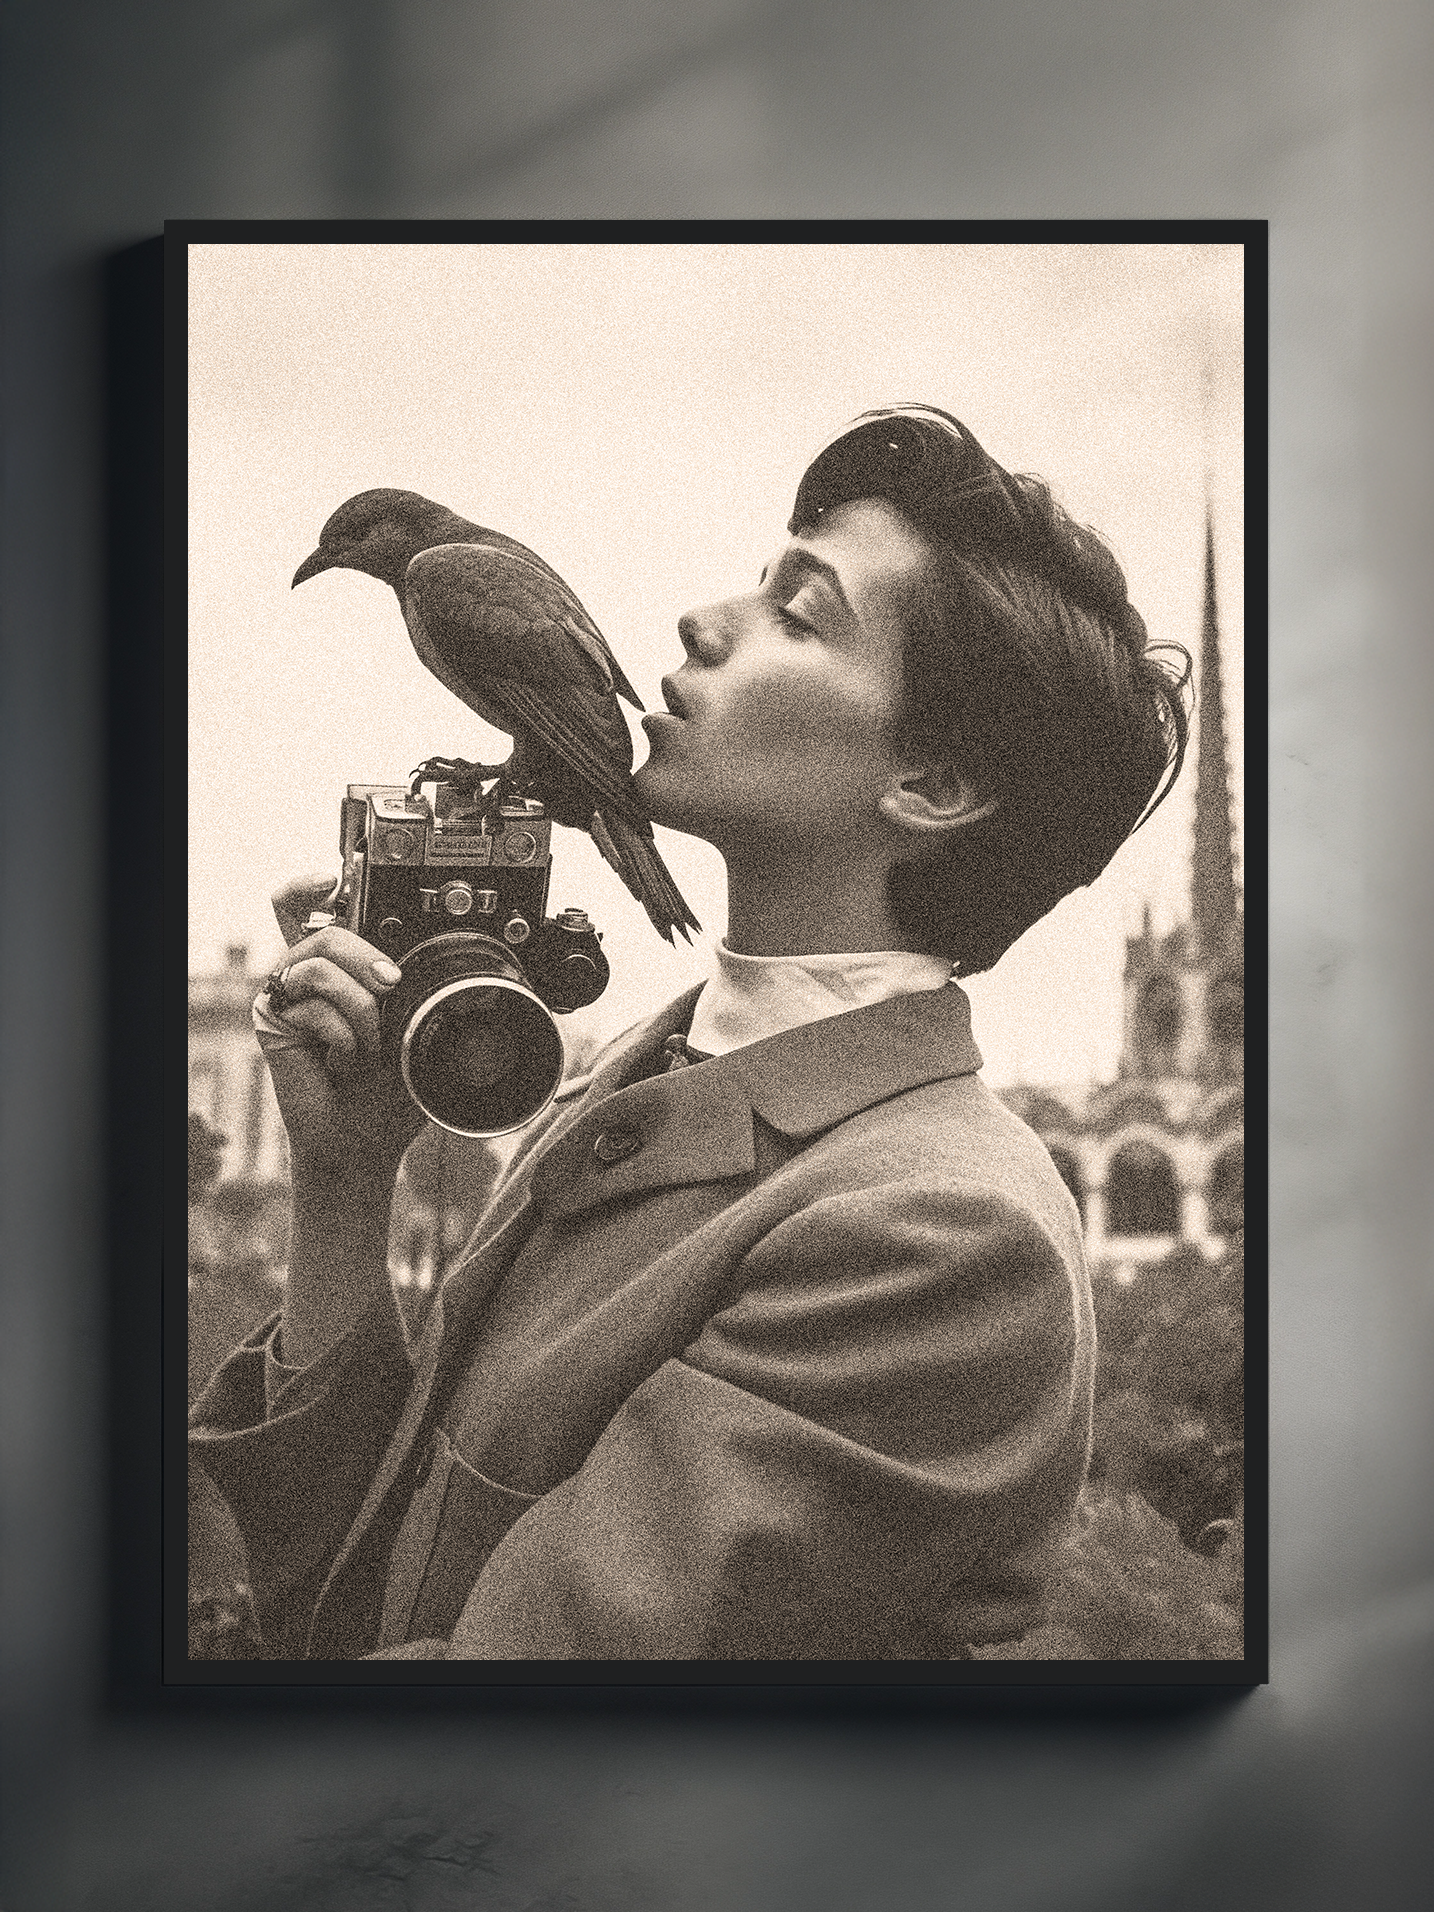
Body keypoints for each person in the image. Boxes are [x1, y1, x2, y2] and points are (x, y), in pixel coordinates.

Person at [190, 405, 1191, 1660]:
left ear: (933, 786)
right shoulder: (630, 1078)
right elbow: (353, 1599)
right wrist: (345, 1182)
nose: (698, 622)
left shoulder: (938, 1235)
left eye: (799, 614)